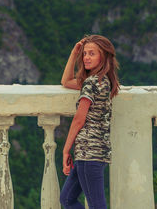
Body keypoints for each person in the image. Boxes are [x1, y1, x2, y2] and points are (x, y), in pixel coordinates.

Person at [59, 35, 120, 209]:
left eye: (92, 53)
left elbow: (79, 119)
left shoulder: (92, 83)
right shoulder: (103, 81)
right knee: (67, 199)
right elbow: (65, 81)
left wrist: (65, 150)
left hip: (89, 154)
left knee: (96, 206)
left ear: (104, 57)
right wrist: (74, 53)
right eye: (84, 54)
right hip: (92, 153)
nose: (86, 57)